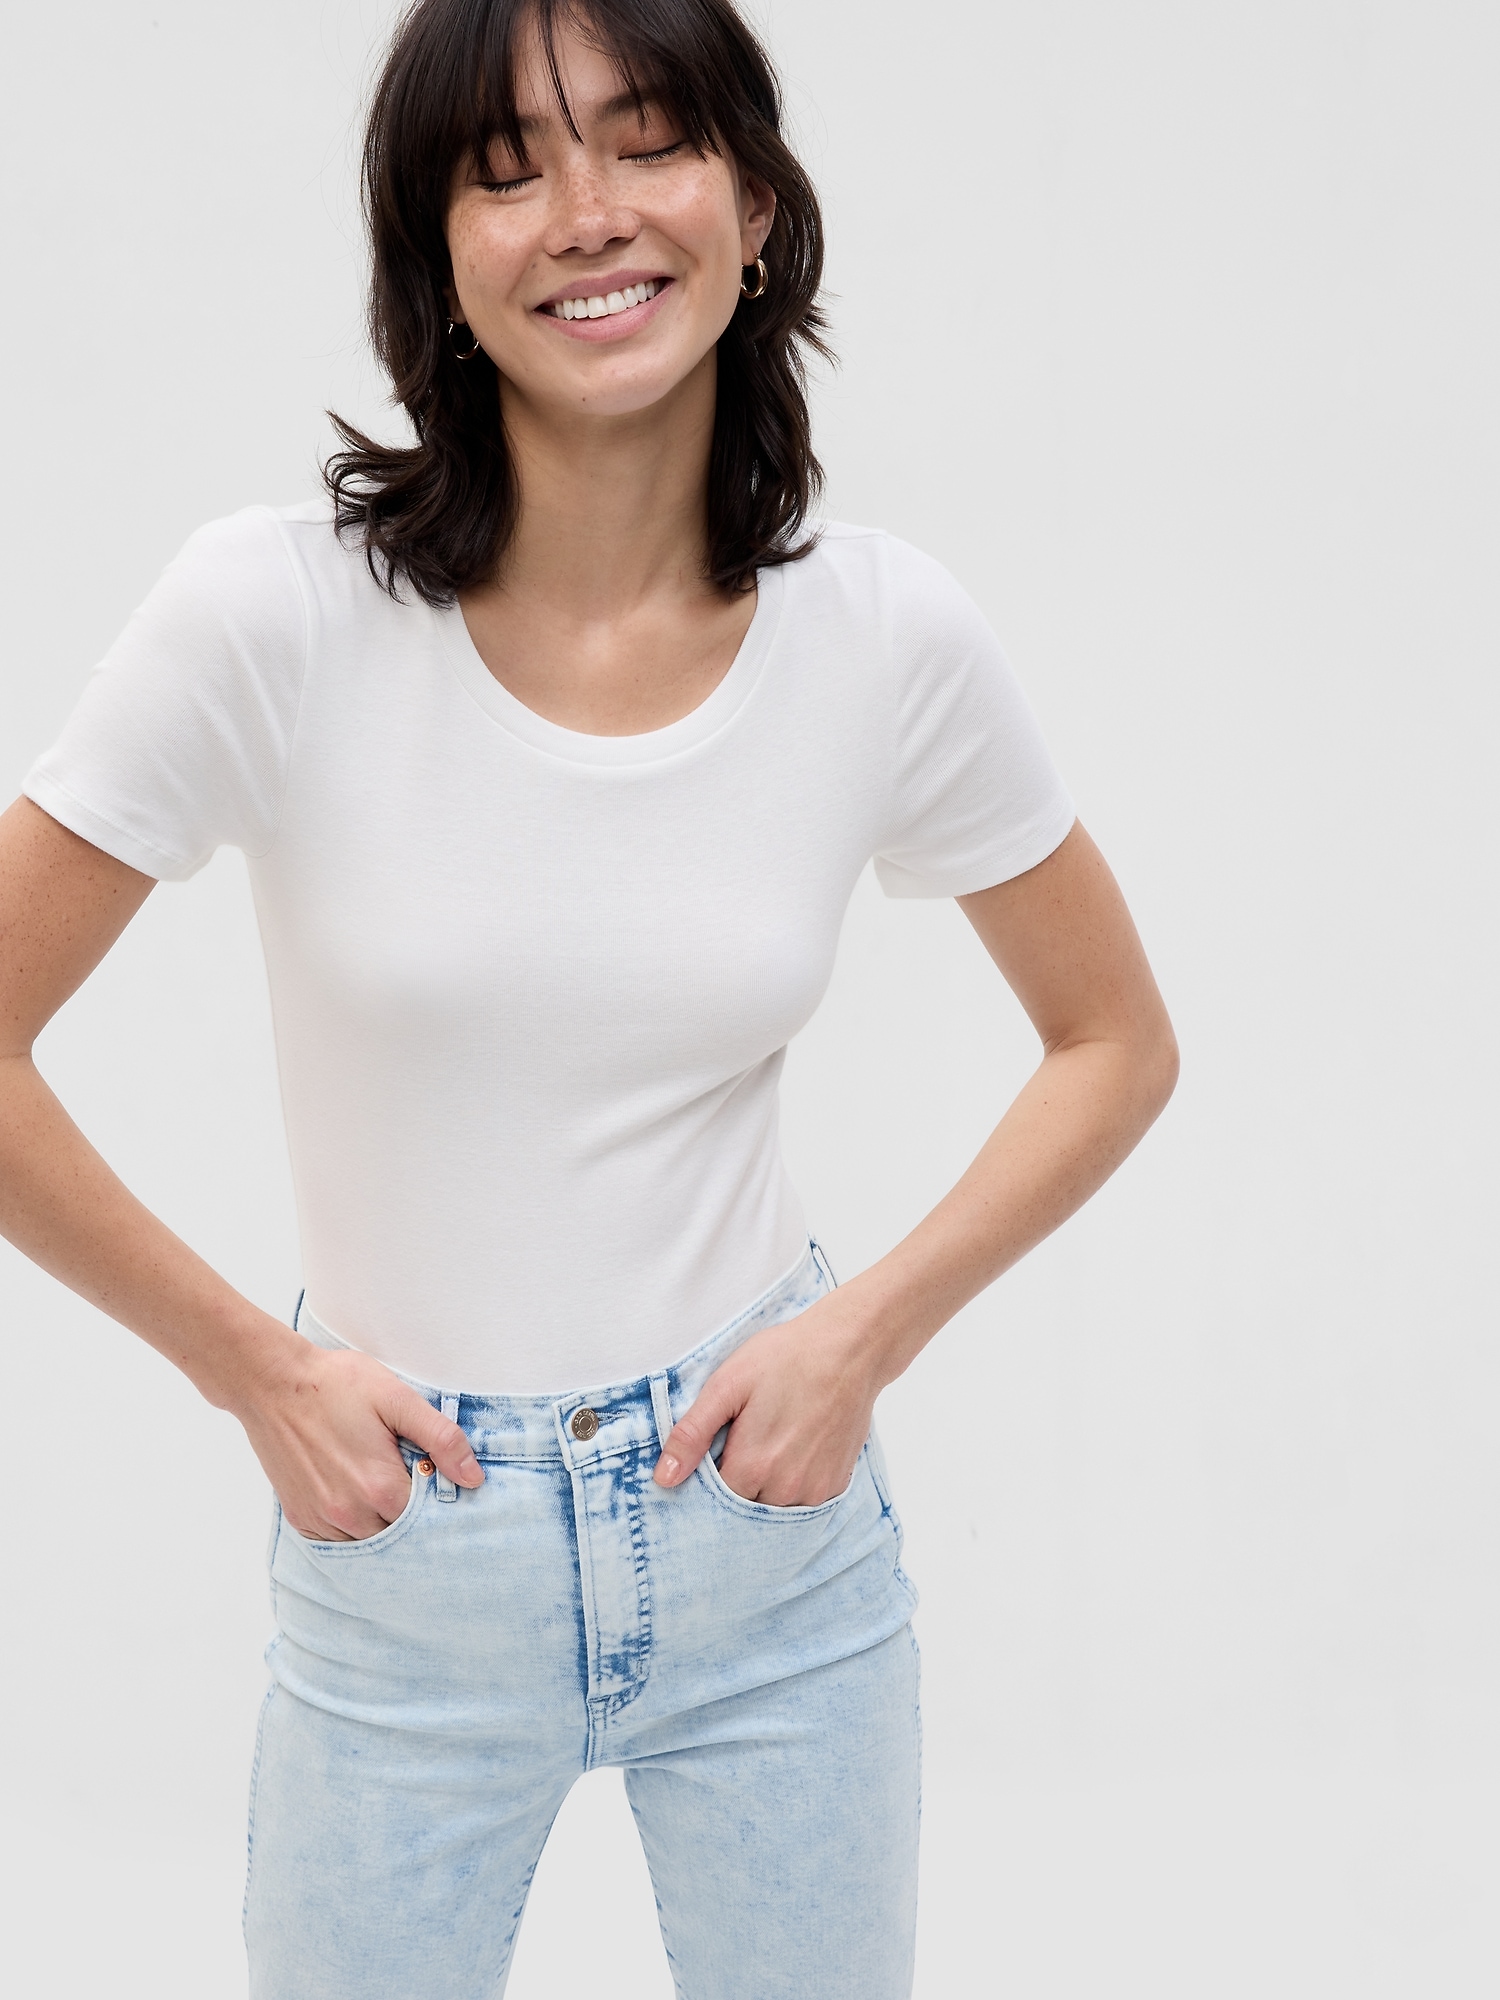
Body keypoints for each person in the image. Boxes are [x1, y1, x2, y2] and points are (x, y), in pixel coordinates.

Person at [0, 0, 1178, 1993]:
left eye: (646, 141)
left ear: (753, 206)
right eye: (507, 166)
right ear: (434, 261)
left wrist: (860, 1336)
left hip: (767, 1543)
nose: (587, 215)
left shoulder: (881, 635)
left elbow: (1115, 1042)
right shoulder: (271, 616)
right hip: (403, 1560)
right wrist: (257, 1372)